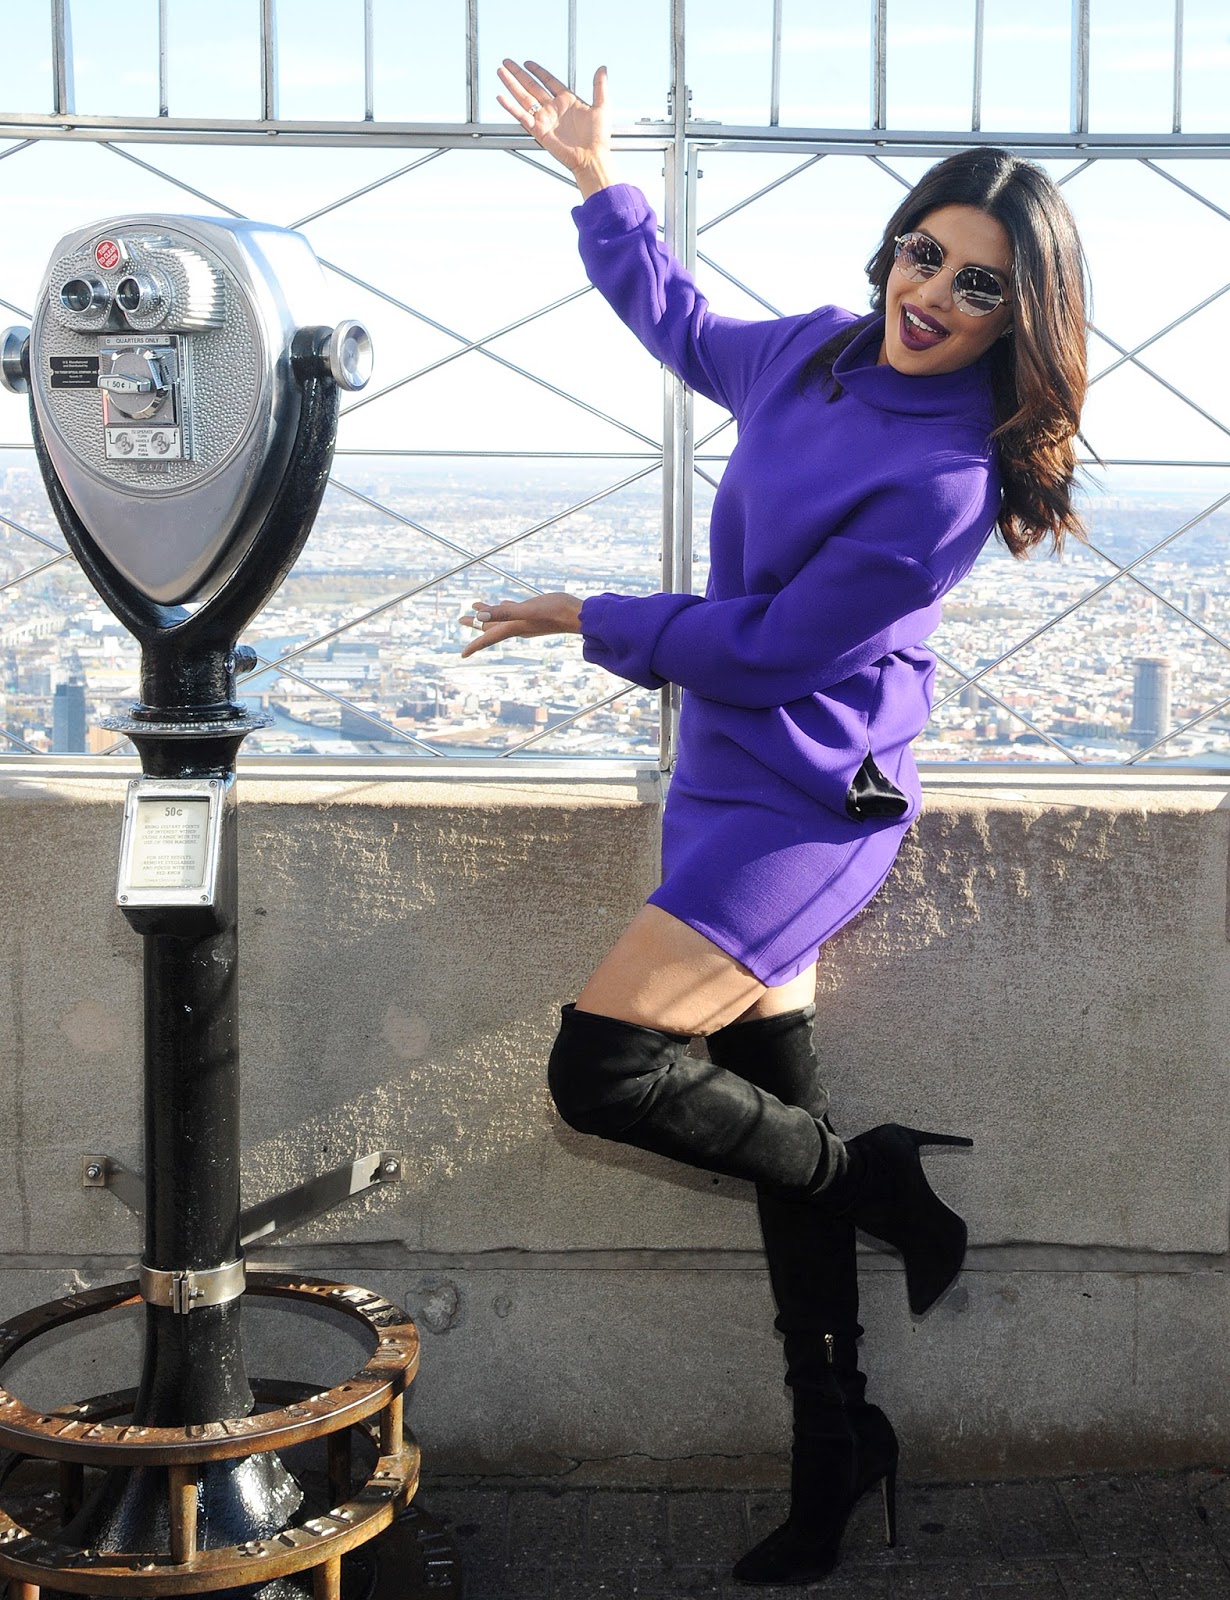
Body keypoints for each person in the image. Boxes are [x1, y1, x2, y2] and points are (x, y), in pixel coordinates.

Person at [465, 58, 1088, 1587]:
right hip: (723, 777)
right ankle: (838, 1448)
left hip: (813, 798)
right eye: (924, 255)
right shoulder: (814, 357)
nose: (933, 294)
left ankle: (870, 1179)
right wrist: (601, 181)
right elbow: (679, 323)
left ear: (1021, 322)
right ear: (889, 249)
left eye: (982, 288)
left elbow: (773, 650)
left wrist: (588, 613)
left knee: (604, 1068)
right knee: (763, 1106)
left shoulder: (944, 478)